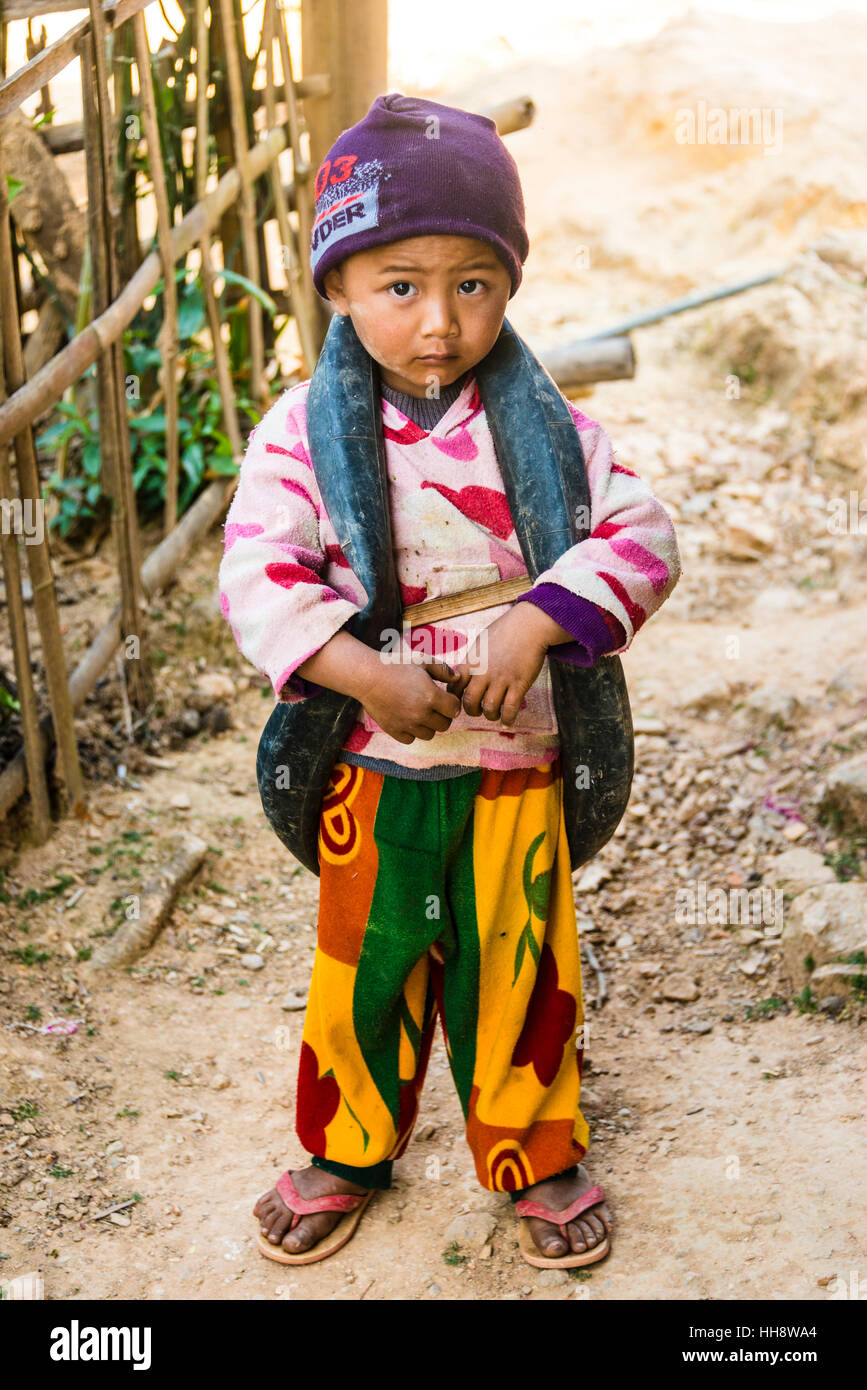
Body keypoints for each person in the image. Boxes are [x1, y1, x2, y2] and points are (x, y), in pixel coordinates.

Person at [218, 92, 681, 1269]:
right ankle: (347, 1144)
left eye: (473, 283)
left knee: (515, 963)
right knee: (365, 965)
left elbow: (645, 534)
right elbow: (256, 575)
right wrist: (359, 671)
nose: (438, 322)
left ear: (512, 285)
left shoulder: (549, 431)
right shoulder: (298, 439)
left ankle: (532, 1144)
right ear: (336, 287)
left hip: (514, 765)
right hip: (371, 771)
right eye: (400, 285)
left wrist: (537, 624)